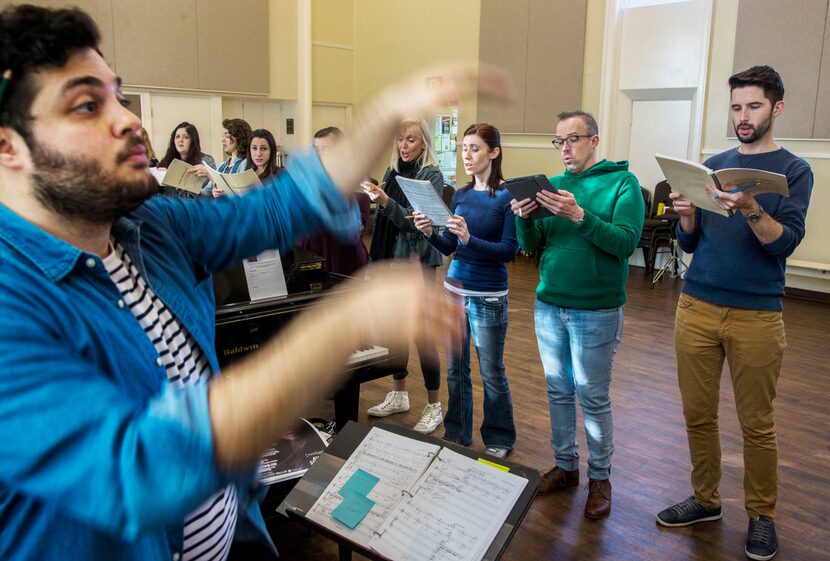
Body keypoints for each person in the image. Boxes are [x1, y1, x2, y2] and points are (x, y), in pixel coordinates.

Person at [0, 5, 509, 559]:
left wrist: (385, 113)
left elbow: (272, 211)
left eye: (118, 96)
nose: (127, 119)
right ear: (8, 145)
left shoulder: (146, 225)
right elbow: (139, 467)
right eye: (85, 105)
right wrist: (339, 326)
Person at [656, 66, 813, 561]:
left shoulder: (793, 171)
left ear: (776, 109)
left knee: (757, 424)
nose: (743, 117)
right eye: (737, 107)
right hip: (696, 306)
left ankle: (761, 516)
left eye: (754, 107)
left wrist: (749, 207)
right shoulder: (714, 164)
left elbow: (783, 245)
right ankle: (706, 500)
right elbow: (690, 242)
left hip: (757, 315)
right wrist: (685, 217)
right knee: (698, 415)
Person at [511, 110, 643, 519]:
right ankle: (566, 467)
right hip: (550, 302)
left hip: (596, 309)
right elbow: (534, 245)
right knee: (558, 389)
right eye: (559, 141)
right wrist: (523, 219)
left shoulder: (623, 183)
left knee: (593, 395)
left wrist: (579, 215)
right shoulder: (554, 187)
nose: (565, 148)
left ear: (594, 141)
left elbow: (624, 244)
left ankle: (600, 477)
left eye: (573, 139)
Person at [413, 123, 517, 457]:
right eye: (463, 148)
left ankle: (499, 438)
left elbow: (509, 251)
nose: (467, 155)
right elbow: (448, 247)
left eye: (474, 148)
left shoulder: (507, 196)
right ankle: (457, 432)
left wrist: (471, 239)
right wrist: (430, 232)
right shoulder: (459, 195)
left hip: (488, 295)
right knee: (457, 369)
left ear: (494, 152)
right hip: (454, 290)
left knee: (491, 371)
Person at [362, 117, 446, 434]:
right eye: (400, 139)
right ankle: (399, 395)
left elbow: (418, 225)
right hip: (390, 260)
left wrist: (385, 201)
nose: (404, 146)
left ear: (423, 142)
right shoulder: (392, 171)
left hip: (417, 262)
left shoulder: (431, 175)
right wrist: (377, 196)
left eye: (410, 140)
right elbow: (387, 216)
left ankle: (434, 405)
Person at [297, 126, 370, 276]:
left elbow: (359, 224)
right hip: (311, 249)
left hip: (341, 253)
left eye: (325, 149)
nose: (319, 154)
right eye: (316, 149)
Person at [157, 121, 216, 198]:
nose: (180, 140)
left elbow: (212, 194)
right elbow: (159, 195)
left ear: (193, 141)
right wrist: (158, 178)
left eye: (186, 137)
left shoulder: (206, 161)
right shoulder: (166, 161)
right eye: (177, 137)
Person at [194, 117, 251, 197]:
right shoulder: (222, 166)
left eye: (227, 136)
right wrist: (190, 190)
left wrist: (209, 174)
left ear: (239, 137)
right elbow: (207, 192)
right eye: (223, 136)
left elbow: (242, 195)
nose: (223, 140)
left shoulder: (245, 164)